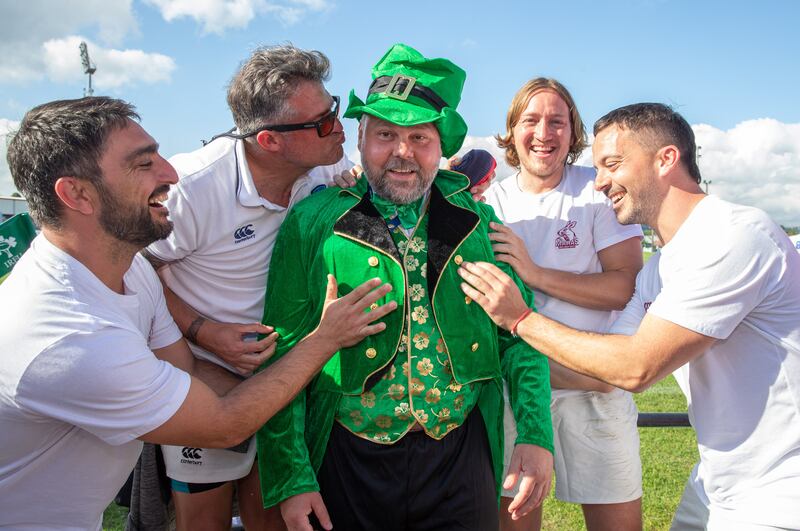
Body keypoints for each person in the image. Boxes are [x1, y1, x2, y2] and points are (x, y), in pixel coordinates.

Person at [0, 96, 395, 531]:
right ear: (77, 193)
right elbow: (222, 426)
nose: (170, 173)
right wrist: (325, 340)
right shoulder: (72, 338)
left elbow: (188, 371)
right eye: (142, 163)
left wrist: (296, 418)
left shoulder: (130, 269)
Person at [458, 103, 800, 530]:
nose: (599, 182)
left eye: (612, 164)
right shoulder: (657, 270)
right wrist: (488, 364)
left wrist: (520, 319)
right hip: (718, 488)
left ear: (666, 159)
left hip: (782, 494)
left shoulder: (734, 235)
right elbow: (605, 372)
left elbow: (636, 367)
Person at [256, 44, 554, 531]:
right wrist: (293, 478)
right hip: (348, 459)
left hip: (461, 457)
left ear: (440, 146)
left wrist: (536, 435)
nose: (402, 151)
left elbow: (518, 336)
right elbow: (281, 351)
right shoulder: (312, 222)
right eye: (386, 134)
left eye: (419, 136)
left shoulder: (477, 222)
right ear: (360, 138)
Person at [142, 44, 351, 529]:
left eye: (333, 109)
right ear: (269, 141)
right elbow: (135, 269)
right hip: (209, 376)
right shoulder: (192, 189)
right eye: (320, 122)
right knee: (204, 523)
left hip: (290, 381)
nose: (338, 127)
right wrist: (204, 331)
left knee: (275, 517)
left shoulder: (325, 165)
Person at [483, 78, 643, 531]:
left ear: (573, 134)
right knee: (515, 520)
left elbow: (624, 286)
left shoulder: (595, 190)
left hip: (594, 391)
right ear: (512, 130)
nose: (544, 133)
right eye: (531, 120)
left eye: (558, 122)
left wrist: (534, 274)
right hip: (520, 393)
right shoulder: (491, 201)